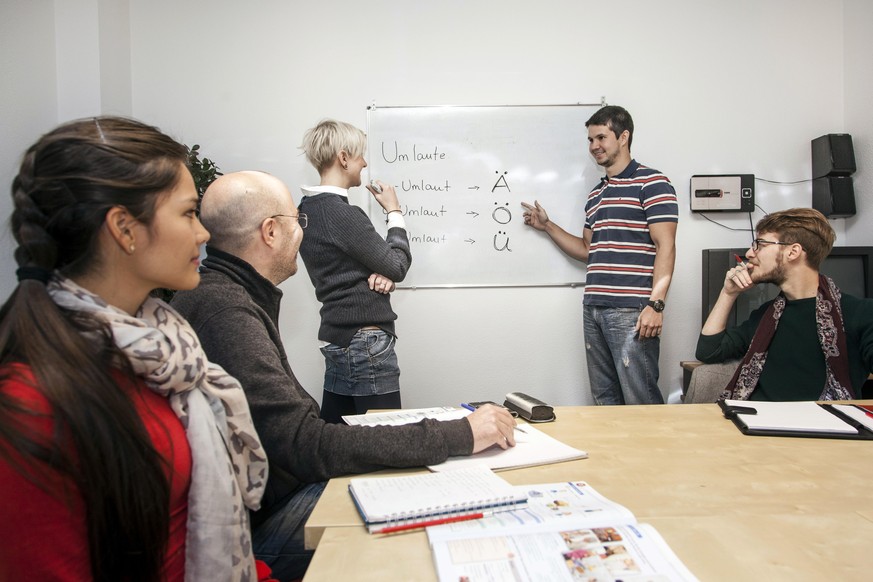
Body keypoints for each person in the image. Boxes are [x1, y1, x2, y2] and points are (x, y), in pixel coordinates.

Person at [170, 170, 518, 581]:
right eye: (295, 221)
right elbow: (307, 445)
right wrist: (461, 433)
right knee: (428, 503)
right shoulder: (228, 312)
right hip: (265, 527)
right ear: (270, 232)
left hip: (271, 497)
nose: (303, 232)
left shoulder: (224, 293)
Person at [0, 117, 272, 581]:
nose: (204, 234)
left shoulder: (165, 347)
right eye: (188, 214)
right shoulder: (32, 406)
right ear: (125, 228)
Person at [521, 105, 678, 405]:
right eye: (590, 140)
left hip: (631, 312)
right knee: (605, 402)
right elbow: (587, 249)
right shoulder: (597, 194)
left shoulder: (652, 183)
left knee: (641, 401)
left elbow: (666, 246)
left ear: (624, 137)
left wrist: (656, 304)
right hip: (593, 308)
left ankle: (651, 454)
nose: (594, 146)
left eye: (601, 138)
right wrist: (548, 226)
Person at [296, 119, 409, 422]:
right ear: (343, 158)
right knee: (386, 443)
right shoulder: (343, 215)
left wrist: (379, 275)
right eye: (360, 155)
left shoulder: (306, 211)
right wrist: (394, 211)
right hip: (366, 344)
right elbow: (398, 265)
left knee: (336, 438)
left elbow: (343, 269)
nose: (365, 163)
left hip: (339, 340)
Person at [696, 207, 873, 401]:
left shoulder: (860, 313)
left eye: (760, 244)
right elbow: (708, 351)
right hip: (753, 425)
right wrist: (728, 293)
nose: (749, 253)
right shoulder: (766, 317)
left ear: (793, 251)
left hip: (825, 427)